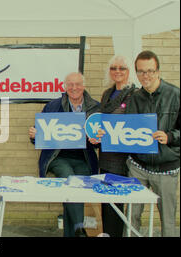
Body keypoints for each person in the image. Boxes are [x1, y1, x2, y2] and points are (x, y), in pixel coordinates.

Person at [28, 72, 99, 237]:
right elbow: (39, 137)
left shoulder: (95, 107)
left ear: (84, 86)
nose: (74, 88)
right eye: (70, 84)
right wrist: (34, 134)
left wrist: (97, 138)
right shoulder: (53, 106)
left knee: (75, 188)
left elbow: (101, 142)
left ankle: (71, 233)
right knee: (70, 178)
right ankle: (80, 229)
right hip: (57, 157)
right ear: (65, 87)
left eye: (78, 84)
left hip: (83, 158)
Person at [125, 50, 179, 237]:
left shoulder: (175, 95)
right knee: (131, 216)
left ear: (158, 71)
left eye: (150, 71)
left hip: (166, 168)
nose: (145, 76)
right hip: (138, 166)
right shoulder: (134, 98)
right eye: (141, 71)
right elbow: (125, 130)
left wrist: (170, 136)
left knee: (168, 220)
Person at [88, 55, 138, 237]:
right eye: (114, 68)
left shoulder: (135, 94)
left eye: (122, 68)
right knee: (107, 202)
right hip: (106, 156)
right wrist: (96, 136)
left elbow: (133, 127)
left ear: (129, 71)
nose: (117, 71)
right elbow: (103, 123)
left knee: (118, 204)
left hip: (123, 157)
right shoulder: (107, 94)